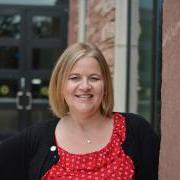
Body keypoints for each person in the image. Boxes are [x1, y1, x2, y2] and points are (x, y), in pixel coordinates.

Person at [0, 42, 160, 180]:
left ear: (105, 86)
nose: (85, 86)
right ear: (60, 86)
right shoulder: (37, 138)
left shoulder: (136, 130)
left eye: (94, 78)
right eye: (74, 78)